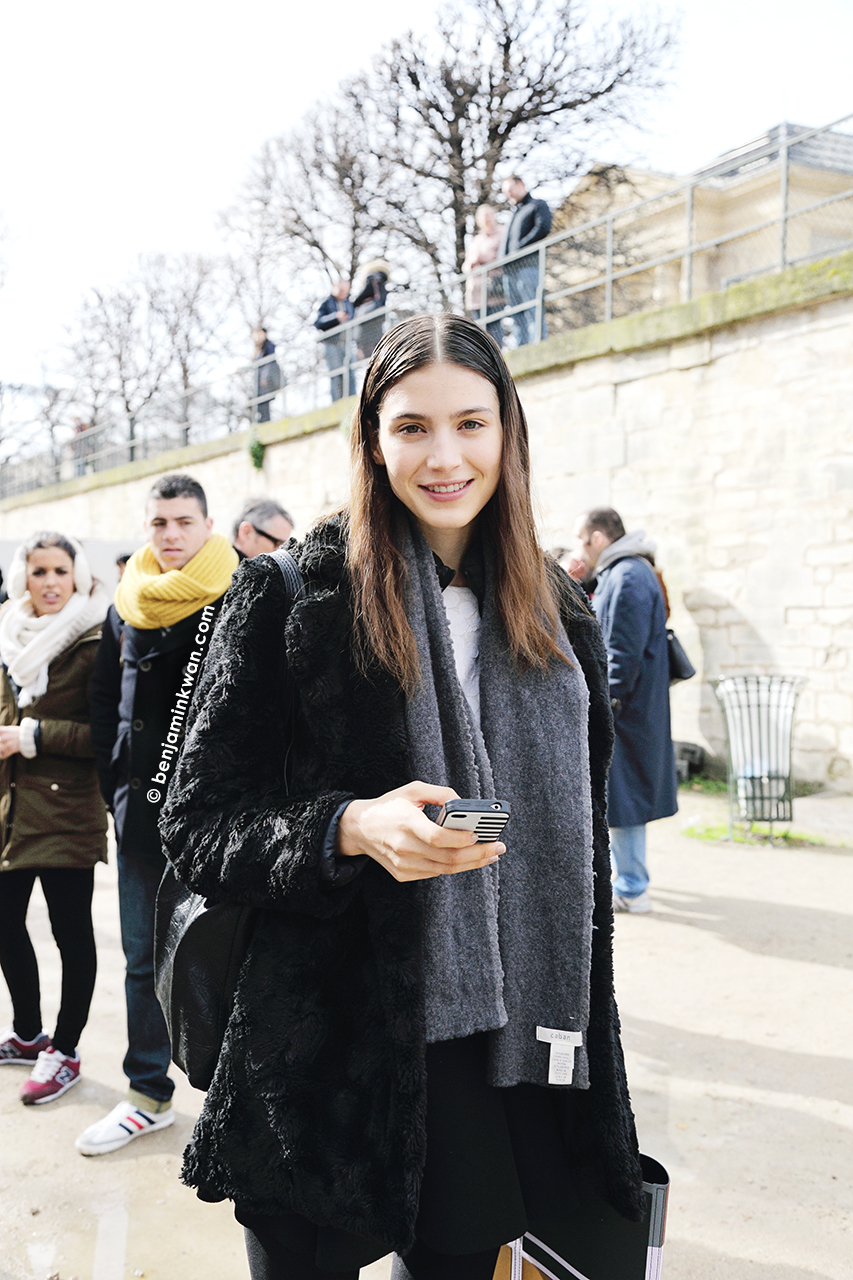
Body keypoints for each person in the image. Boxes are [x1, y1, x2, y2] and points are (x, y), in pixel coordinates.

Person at [159, 315, 645, 1280]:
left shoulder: (560, 611)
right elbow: (195, 821)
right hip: (330, 1051)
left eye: (470, 423)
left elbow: (578, 856)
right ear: (373, 443)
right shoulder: (292, 595)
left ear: (507, 430)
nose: (445, 456)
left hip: (506, 1042)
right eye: (411, 428)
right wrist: (345, 826)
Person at [76, 474, 238, 1156]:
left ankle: (236, 1100)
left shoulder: (239, 592)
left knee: (230, 955)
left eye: (182, 522)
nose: (170, 535)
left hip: (218, 817)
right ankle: (147, 1092)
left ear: (206, 525)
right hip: (140, 815)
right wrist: (116, 782)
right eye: (158, 524)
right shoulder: (125, 603)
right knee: (142, 961)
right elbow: (108, 701)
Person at [0, 533, 109, 1104]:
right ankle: (26, 1033)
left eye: (59, 571)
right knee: (5, 923)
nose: (48, 582)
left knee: (71, 934)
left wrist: (32, 737)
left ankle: (64, 1048)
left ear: (77, 577)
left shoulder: (94, 640)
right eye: (38, 571)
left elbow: (105, 736)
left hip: (67, 809)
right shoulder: (6, 632)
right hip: (11, 812)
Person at [573, 508, 678, 913]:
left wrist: (605, 705)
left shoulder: (628, 575)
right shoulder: (628, 572)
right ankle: (630, 881)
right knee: (623, 797)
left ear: (598, 537)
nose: (584, 551)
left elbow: (621, 653)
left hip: (627, 711)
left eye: (584, 541)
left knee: (625, 799)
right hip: (633, 708)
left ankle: (633, 888)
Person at [500, 176, 552, 347]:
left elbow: (543, 228)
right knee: (516, 312)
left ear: (521, 185)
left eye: (510, 190)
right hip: (510, 271)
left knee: (532, 307)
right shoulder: (515, 213)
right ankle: (520, 347)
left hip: (528, 266)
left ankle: (538, 344)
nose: (509, 195)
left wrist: (520, 249)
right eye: (506, 193)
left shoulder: (537, 205)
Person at [462, 204, 504, 348]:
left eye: (489, 215)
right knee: (480, 329)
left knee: (495, 325)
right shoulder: (476, 240)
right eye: (484, 217)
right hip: (476, 292)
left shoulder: (502, 233)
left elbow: (499, 257)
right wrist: (474, 262)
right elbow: (466, 265)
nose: (487, 219)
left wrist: (482, 258)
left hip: (493, 289)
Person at [314, 280, 356, 401]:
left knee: (351, 373)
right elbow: (318, 322)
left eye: (346, 291)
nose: (344, 294)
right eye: (341, 290)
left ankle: (353, 401)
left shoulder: (349, 303)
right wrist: (335, 317)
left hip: (346, 343)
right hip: (331, 344)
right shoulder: (325, 303)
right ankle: (336, 401)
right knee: (336, 374)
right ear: (334, 287)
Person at [352, 259, 390, 359]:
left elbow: (363, 295)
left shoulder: (372, 279)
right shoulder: (381, 284)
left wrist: (356, 302)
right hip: (375, 322)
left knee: (369, 351)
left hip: (368, 320)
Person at [252, 327, 281, 423]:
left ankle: (265, 420)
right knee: (259, 401)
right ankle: (262, 420)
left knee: (264, 400)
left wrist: (265, 377)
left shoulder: (268, 346)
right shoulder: (258, 348)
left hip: (267, 379)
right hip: (260, 379)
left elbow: (270, 362)